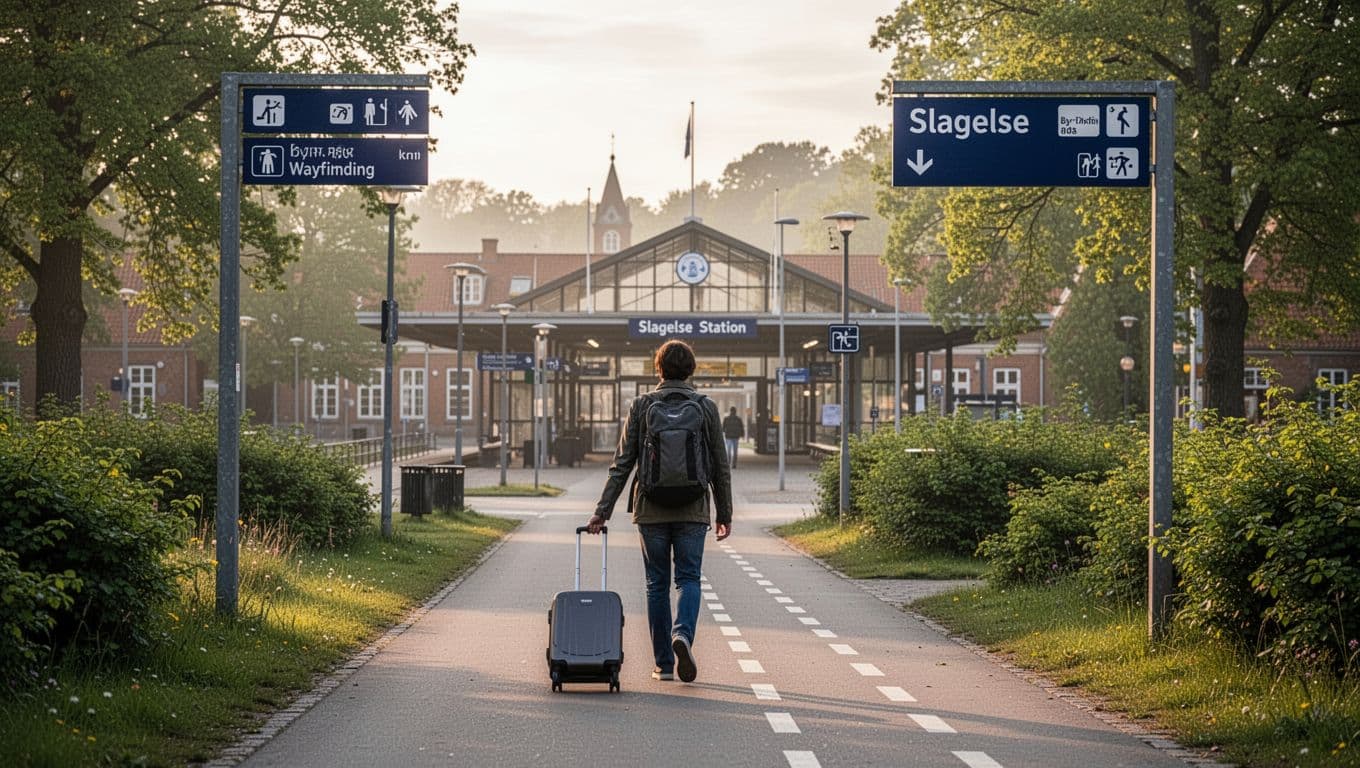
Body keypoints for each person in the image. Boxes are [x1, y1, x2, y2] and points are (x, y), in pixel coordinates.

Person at [586, 340, 732, 683]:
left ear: (659, 369)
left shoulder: (642, 405)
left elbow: (622, 464)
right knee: (689, 578)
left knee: (656, 584)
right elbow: (720, 466)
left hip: (650, 509)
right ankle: (682, 635)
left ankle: (664, 665)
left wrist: (601, 511)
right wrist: (724, 513)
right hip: (693, 509)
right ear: (691, 370)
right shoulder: (706, 407)